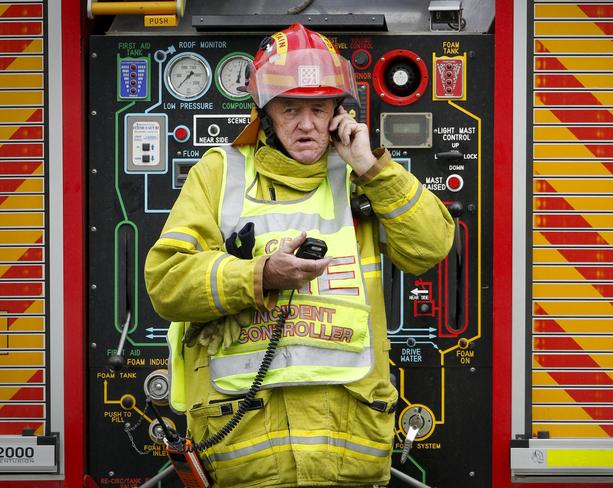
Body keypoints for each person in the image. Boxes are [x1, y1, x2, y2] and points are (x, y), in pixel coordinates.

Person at [145, 23, 454, 488]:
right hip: (247, 458)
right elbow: (168, 282)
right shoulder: (220, 173)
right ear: (265, 114)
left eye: (318, 108)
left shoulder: (362, 175)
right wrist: (260, 275)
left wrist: (374, 169)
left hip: (349, 456)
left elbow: (429, 248)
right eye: (291, 109)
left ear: (338, 112)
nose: (306, 124)